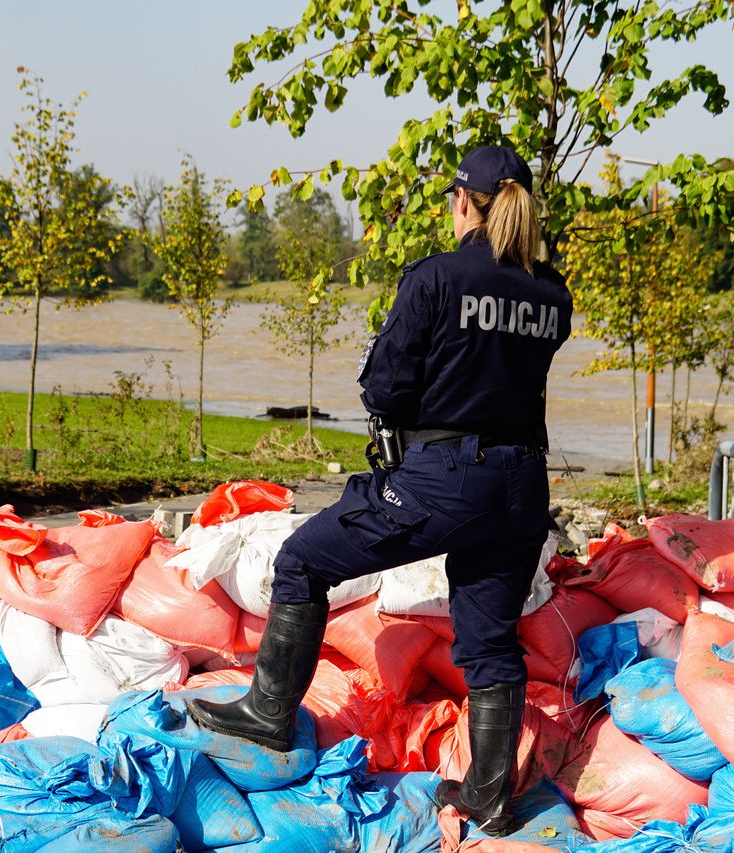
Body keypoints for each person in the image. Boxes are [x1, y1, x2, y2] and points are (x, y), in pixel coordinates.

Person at [187, 145, 573, 837]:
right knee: (489, 636)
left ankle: (271, 714)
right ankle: (489, 794)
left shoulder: (434, 277)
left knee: (304, 560)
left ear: (463, 202)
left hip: (446, 477)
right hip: (522, 484)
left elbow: (387, 384)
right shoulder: (551, 293)